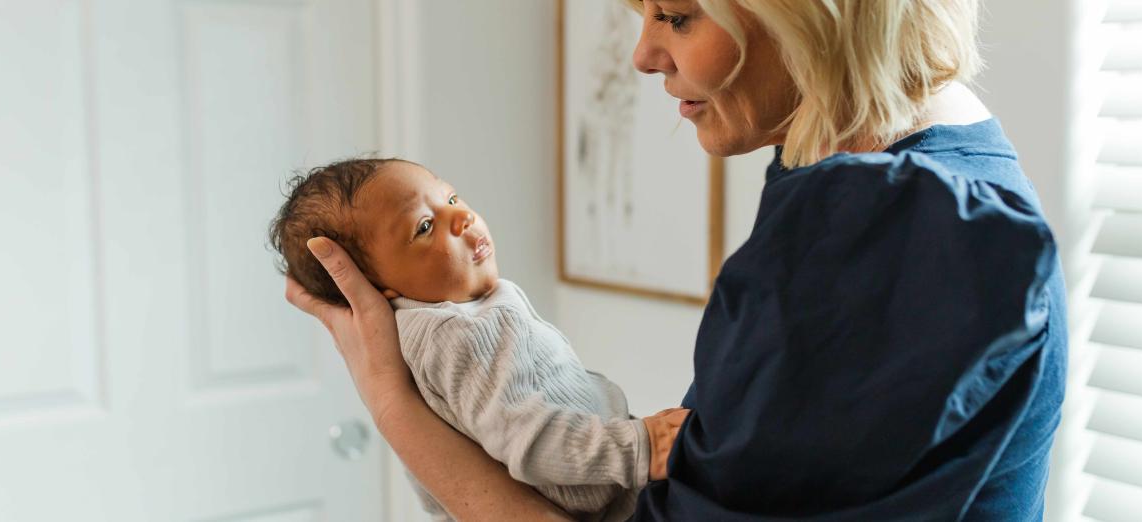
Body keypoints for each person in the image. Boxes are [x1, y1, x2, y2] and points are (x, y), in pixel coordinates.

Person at [286, 0, 1067, 520]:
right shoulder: (899, 183)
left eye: (678, 16)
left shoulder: (887, 221)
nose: (643, 54)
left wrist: (393, 405)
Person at [268, 158, 688, 521]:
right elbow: (527, 436)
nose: (462, 217)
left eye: (450, 198)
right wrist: (641, 445)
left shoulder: (447, 322)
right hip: (605, 503)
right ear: (379, 290)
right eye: (426, 226)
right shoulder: (454, 334)